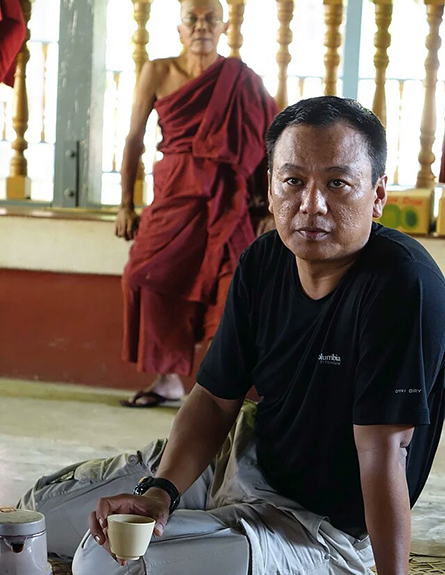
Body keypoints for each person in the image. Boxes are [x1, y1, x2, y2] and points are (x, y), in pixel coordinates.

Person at [19, 96, 445, 575]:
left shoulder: (403, 283)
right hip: (234, 464)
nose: (311, 205)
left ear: (378, 194)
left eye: (338, 183)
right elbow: (216, 399)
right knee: (31, 519)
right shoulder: (264, 260)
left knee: (104, 561)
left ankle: (215, 538)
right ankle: (202, 525)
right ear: (270, 186)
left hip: (315, 527)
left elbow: (384, 452)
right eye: (293, 181)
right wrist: (161, 493)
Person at [116, 0, 278, 408]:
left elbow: (271, 146)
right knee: (143, 275)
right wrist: (125, 204)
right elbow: (134, 139)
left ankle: (218, 388)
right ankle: (168, 379)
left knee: (229, 291)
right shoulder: (158, 70)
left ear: (224, 27)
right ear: (179, 29)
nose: (202, 26)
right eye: (193, 19)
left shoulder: (243, 80)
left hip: (230, 201)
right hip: (174, 194)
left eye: (211, 19)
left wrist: (270, 209)